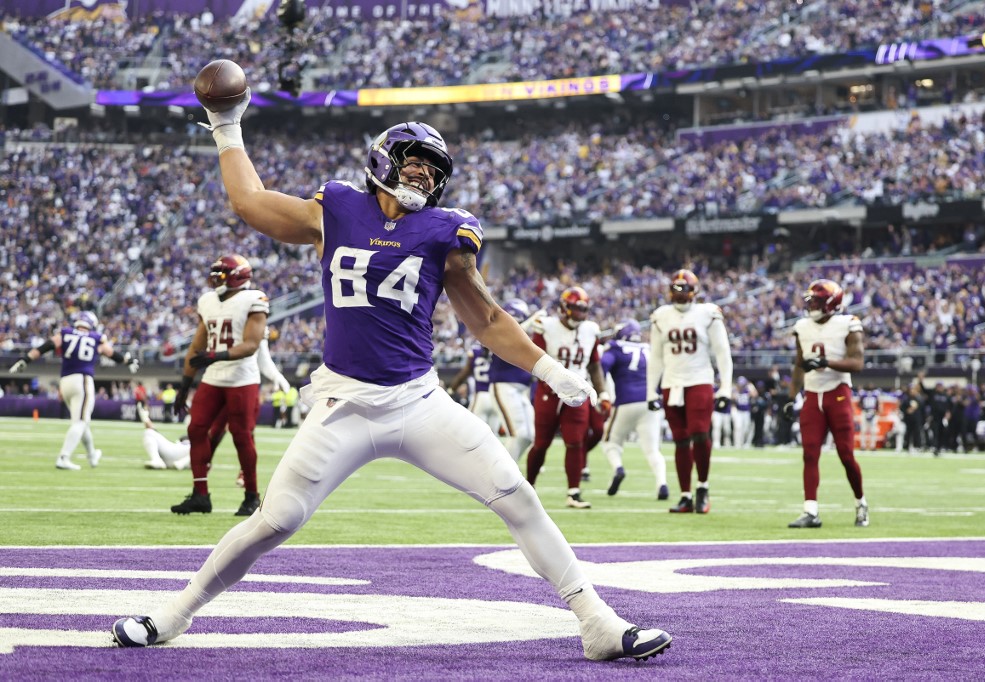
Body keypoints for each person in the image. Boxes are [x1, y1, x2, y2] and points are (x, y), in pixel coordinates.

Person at [111, 110, 670, 661]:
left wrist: (548, 369)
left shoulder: (444, 229)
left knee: (517, 498)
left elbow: (488, 319)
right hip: (344, 404)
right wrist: (227, 124)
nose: (425, 173)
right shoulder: (337, 209)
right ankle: (173, 615)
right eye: (416, 160)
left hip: (418, 401)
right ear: (384, 159)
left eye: (434, 167)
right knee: (276, 520)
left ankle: (597, 622)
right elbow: (249, 202)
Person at [171, 254, 269, 517]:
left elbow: (251, 345)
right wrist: (184, 385)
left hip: (241, 377)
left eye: (222, 273)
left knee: (241, 435)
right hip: (214, 376)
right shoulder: (208, 301)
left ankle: (251, 496)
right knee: (196, 428)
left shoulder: (254, 299)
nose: (216, 278)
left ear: (238, 275)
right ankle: (200, 494)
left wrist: (215, 356)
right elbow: (197, 344)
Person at [646, 269, 733, 515]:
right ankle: (685, 495)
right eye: (675, 290)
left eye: (683, 290)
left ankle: (702, 488)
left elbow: (722, 353)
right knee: (680, 439)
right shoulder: (661, 316)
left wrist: (725, 387)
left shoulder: (707, 314)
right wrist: (650, 391)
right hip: (671, 383)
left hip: (699, 380)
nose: (679, 295)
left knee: (699, 432)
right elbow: (655, 357)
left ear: (694, 292)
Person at [784, 279, 869, 529]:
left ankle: (860, 502)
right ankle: (811, 511)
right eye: (810, 300)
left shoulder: (847, 324)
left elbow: (857, 363)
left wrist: (826, 363)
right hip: (812, 394)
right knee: (809, 453)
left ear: (831, 303)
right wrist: (791, 397)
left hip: (838, 393)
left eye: (817, 301)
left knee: (846, 455)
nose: (811, 305)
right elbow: (799, 364)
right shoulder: (802, 326)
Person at [9, 310, 139, 470]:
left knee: (81, 422)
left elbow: (46, 346)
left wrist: (26, 359)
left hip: (65, 382)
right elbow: (111, 353)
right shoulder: (95, 338)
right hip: (82, 380)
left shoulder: (65, 333)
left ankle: (92, 455)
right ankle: (64, 457)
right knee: (81, 422)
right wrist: (128, 361)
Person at [525, 286, 610, 509]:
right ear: (564, 308)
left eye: (583, 310)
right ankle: (528, 487)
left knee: (575, 442)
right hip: (550, 391)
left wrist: (603, 393)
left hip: (578, 391)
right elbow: (535, 359)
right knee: (542, 443)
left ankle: (574, 492)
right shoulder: (546, 326)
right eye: (575, 309)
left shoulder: (591, 329)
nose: (580, 315)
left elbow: (594, 365)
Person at [599, 319, 669, 500]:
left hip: (626, 401)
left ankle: (618, 468)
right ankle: (662, 483)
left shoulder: (616, 347)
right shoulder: (649, 348)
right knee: (653, 449)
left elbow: (602, 366)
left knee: (611, 442)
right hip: (651, 402)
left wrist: (602, 392)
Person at [489, 298, 538, 461]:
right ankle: (503, 474)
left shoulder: (525, 335)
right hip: (504, 386)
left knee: (529, 436)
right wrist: (530, 322)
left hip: (522, 390)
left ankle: (508, 471)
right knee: (518, 434)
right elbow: (510, 336)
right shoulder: (496, 332)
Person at [447, 341, 501, 436]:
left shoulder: (475, 353)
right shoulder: (499, 353)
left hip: (481, 396)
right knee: (494, 435)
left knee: (474, 432)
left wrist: (451, 389)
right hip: (496, 397)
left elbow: (463, 375)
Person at [858, 385, 880, 451]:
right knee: (863, 430)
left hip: (873, 412)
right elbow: (859, 403)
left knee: (873, 431)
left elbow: (877, 403)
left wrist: (876, 411)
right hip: (865, 412)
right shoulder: (863, 394)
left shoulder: (876, 394)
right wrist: (864, 409)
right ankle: (863, 446)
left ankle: (873, 446)